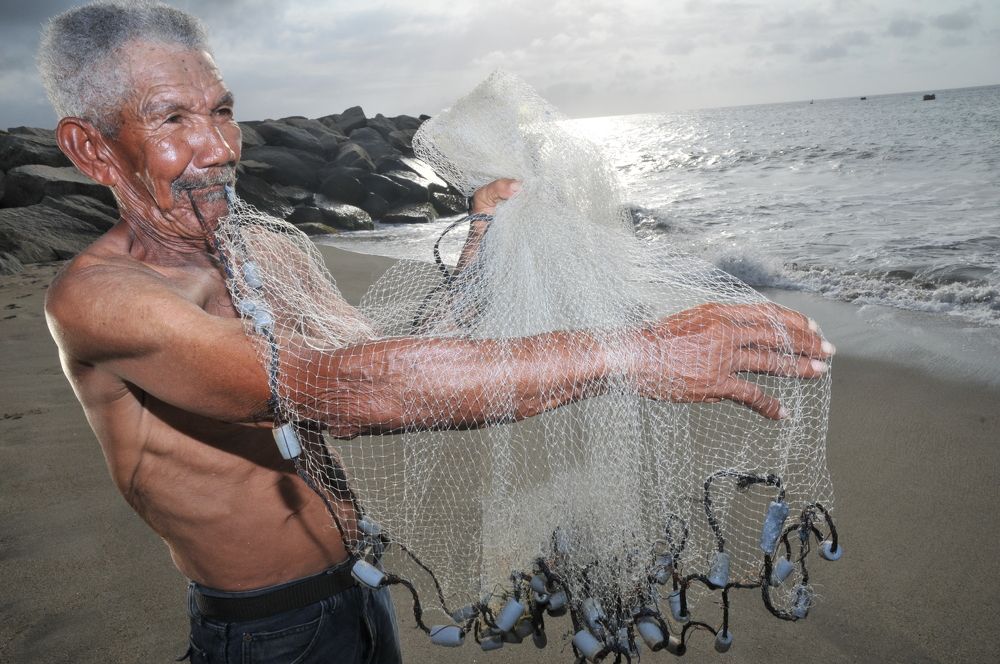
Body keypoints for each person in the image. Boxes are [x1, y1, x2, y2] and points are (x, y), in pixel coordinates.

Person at [38, 2, 832, 662]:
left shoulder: (265, 249)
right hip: (264, 629)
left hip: (358, 589)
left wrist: (482, 236)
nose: (218, 148)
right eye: (172, 119)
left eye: (221, 110)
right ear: (90, 147)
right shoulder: (103, 301)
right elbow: (346, 392)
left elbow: (393, 360)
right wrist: (632, 352)